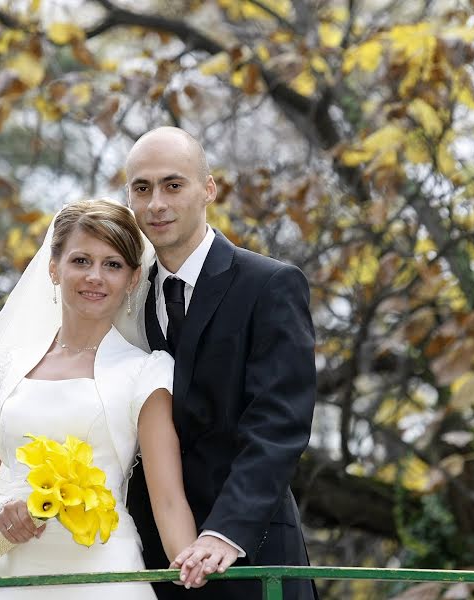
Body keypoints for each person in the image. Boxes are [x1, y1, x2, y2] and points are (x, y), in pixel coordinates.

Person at [0, 200, 206, 599]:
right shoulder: (1, 369)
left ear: (132, 279)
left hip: (107, 576)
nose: (95, 276)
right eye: (81, 260)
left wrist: (190, 565)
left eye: (112, 264)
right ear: (53, 268)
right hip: (15, 578)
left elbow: (167, 500)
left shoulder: (146, 372)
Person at [125, 127, 319, 600]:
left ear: (208, 189)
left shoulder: (270, 285)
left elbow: (280, 423)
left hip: (252, 550)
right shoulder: (123, 294)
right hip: (149, 560)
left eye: (174, 185)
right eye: (142, 188)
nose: (156, 204)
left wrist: (225, 531)